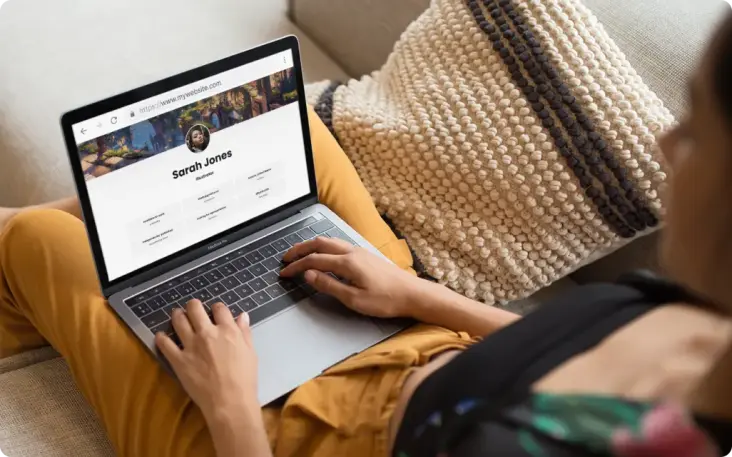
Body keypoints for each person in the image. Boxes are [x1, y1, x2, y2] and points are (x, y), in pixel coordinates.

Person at [3, 16, 732, 457]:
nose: (668, 146)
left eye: (698, 130)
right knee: (298, 137)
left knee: (35, 236)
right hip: (408, 335)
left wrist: (229, 402)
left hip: (283, 434)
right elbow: (555, 356)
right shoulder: (702, 316)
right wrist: (417, 292)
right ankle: (116, 228)